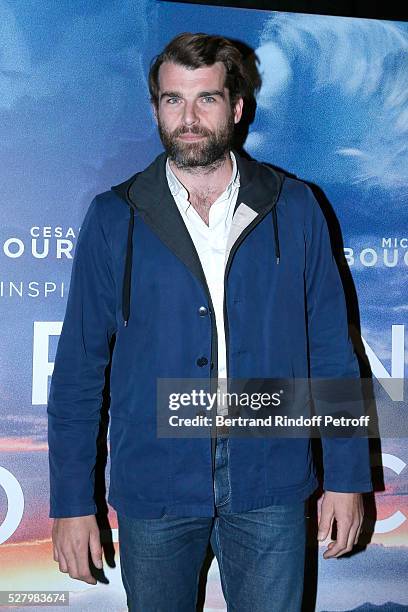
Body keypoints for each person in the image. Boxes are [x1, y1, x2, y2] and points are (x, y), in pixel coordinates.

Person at [48, 32, 373, 611]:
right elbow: (78, 371)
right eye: (174, 100)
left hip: (271, 475)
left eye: (207, 99)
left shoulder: (294, 206)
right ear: (155, 108)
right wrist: (73, 503)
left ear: (237, 107)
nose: (189, 117)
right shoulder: (113, 217)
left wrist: (347, 477)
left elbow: (330, 348)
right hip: (155, 484)